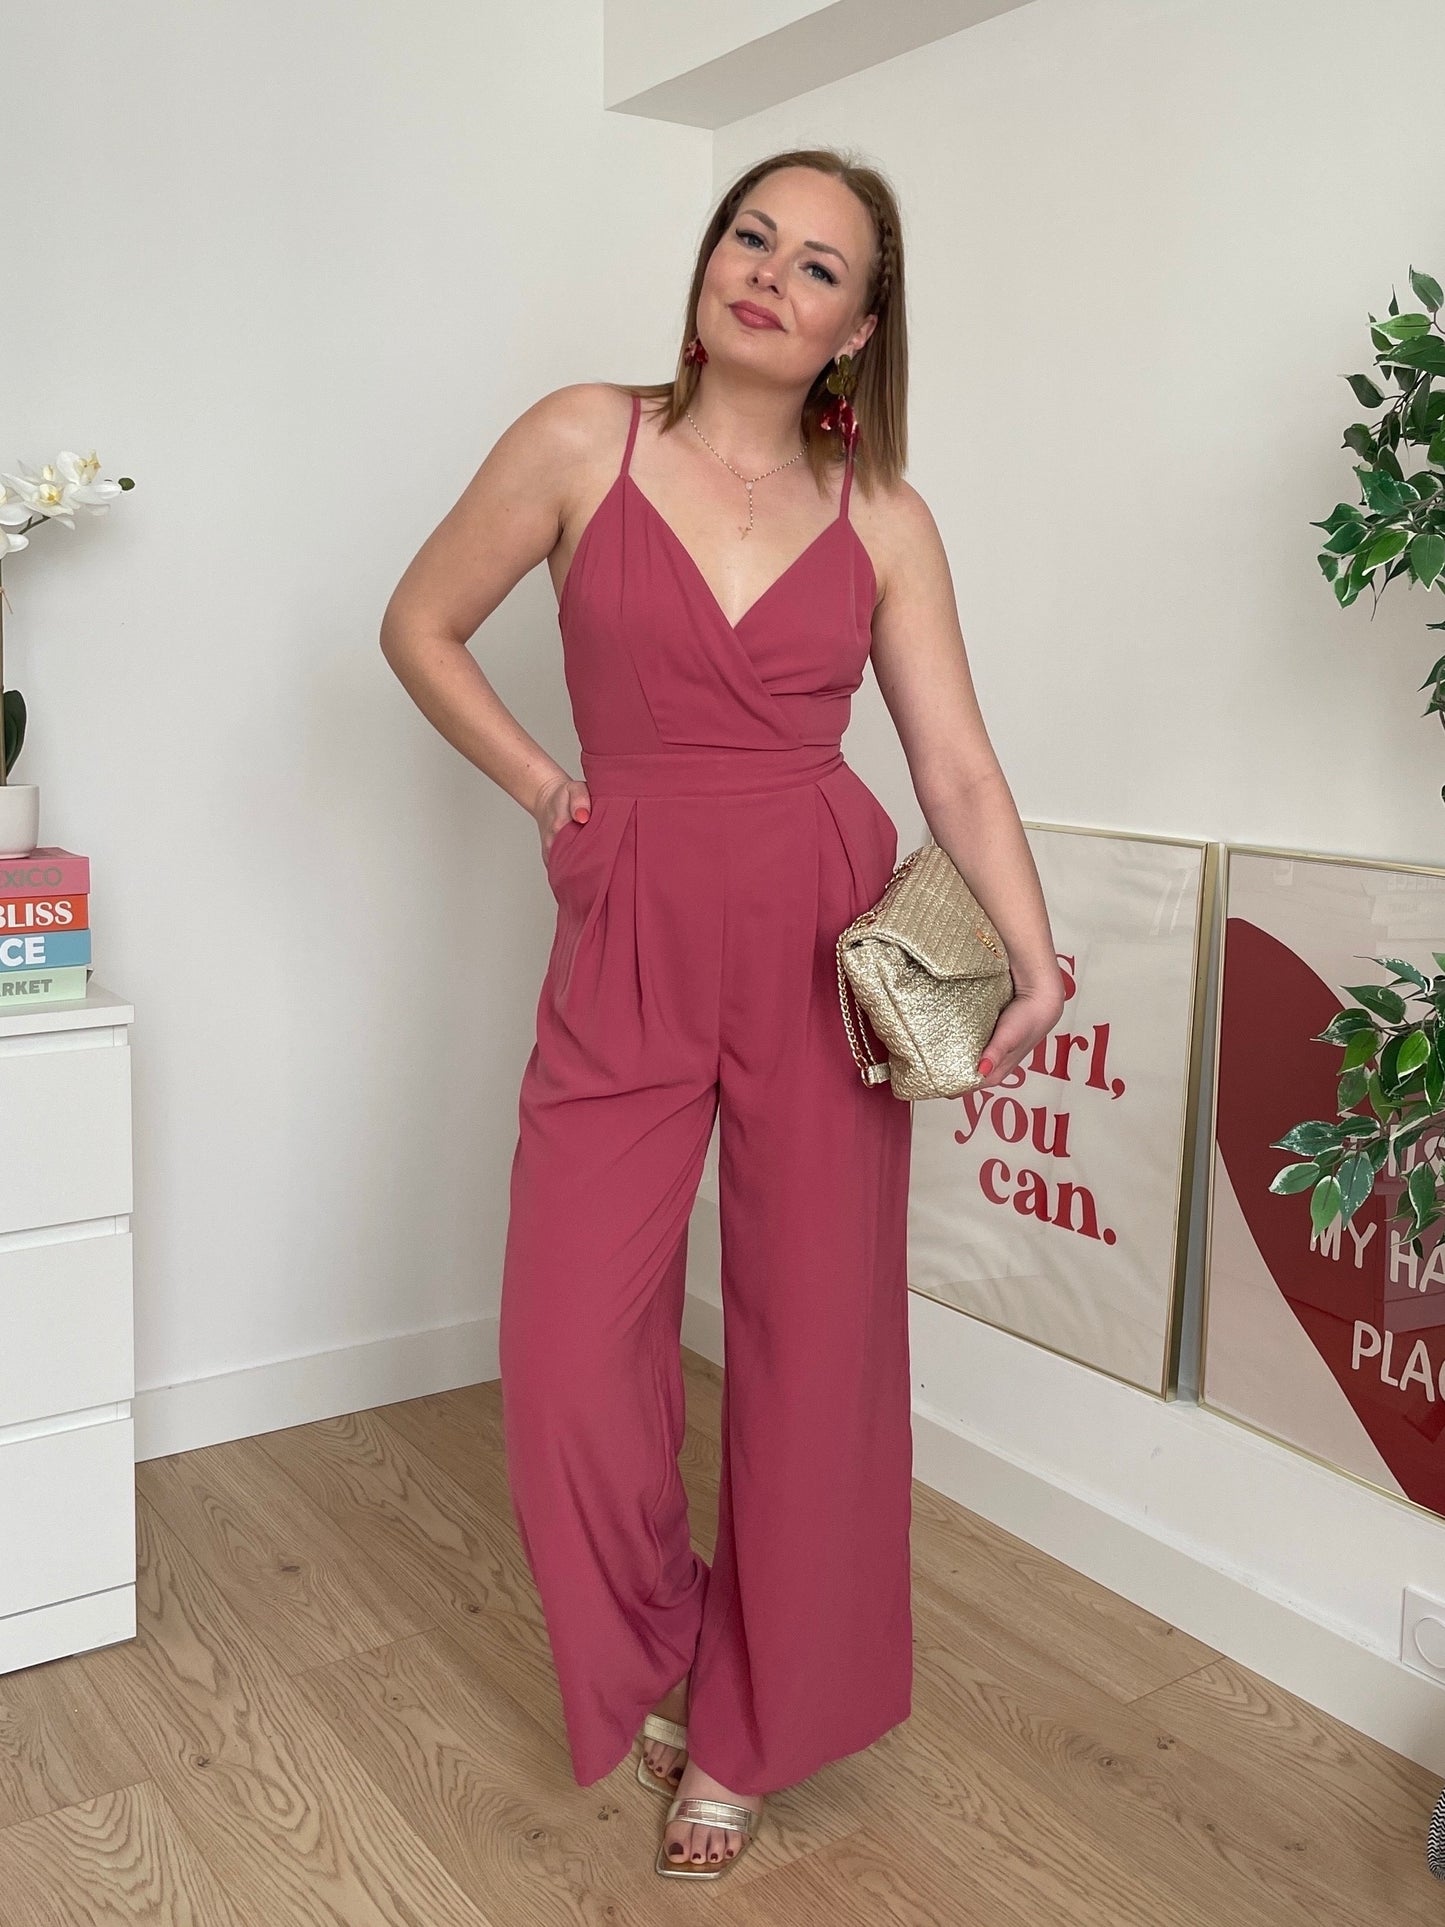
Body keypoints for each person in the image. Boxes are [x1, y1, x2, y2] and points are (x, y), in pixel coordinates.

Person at [381, 145, 1065, 1881]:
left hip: (818, 930)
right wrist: (549, 791)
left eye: (817, 265)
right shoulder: (579, 439)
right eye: (749, 236)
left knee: (813, 1346)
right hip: (628, 919)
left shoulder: (884, 516)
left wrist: (1036, 953)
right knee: (563, 1356)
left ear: (858, 329)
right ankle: (676, 1627)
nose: (769, 272)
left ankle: (752, 1729)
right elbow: (420, 625)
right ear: (707, 261)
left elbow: (955, 768)